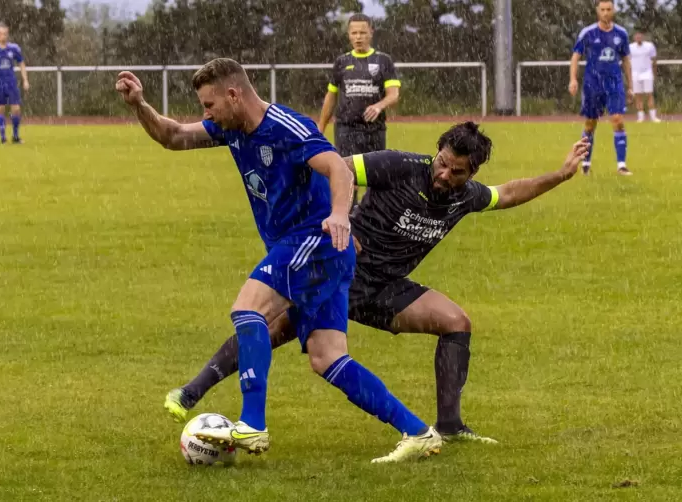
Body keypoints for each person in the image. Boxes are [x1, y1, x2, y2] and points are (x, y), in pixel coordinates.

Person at [167, 123, 590, 444]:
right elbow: (339, 170)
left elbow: (510, 193)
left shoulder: (467, 197)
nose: (443, 174)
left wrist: (560, 175)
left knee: (456, 321)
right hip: (341, 273)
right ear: (437, 153)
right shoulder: (400, 165)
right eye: (442, 162)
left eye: (456, 171)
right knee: (272, 327)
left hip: (386, 288)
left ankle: (449, 426)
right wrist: (340, 223)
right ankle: (191, 392)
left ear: (471, 172)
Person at [115, 58, 442, 463]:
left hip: (313, 241)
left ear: (234, 95)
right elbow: (174, 136)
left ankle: (252, 423)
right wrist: (139, 106)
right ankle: (417, 431)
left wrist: (340, 215)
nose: (206, 114)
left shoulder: (287, 127)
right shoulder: (230, 127)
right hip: (320, 254)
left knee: (247, 308)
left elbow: (337, 167)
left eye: (209, 105)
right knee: (327, 358)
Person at [317, 13, 401, 209]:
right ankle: (347, 217)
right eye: (354, 33)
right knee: (347, 175)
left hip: (374, 129)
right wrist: (320, 127)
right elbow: (331, 97)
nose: (358, 37)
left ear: (371, 32)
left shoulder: (383, 61)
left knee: (377, 176)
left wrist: (379, 105)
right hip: (346, 129)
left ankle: (373, 216)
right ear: (348, 34)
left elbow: (394, 94)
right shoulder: (342, 62)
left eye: (362, 32)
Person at [568, 0, 632, 176]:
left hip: (614, 83)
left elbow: (626, 60)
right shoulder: (588, 33)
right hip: (592, 84)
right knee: (590, 124)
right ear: (597, 11)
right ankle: (586, 163)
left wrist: (630, 86)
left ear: (613, 10)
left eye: (608, 9)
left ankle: (621, 165)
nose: (605, 12)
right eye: (602, 9)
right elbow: (575, 57)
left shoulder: (621, 33)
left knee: (618, 120)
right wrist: (573, 80)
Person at [629, 30, 661, 123]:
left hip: (647, 73)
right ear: (634, 37)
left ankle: (653, 117)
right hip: (635, 74)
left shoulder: (649, 46)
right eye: (637, 36)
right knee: (638, 96)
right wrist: (630, 76)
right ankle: (641, 117)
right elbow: (628, 62)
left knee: (649, 94)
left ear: (642, 36)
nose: (638, 37)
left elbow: (654, 60)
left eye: (640, 36)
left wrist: (653, 73)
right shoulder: (630, 47)